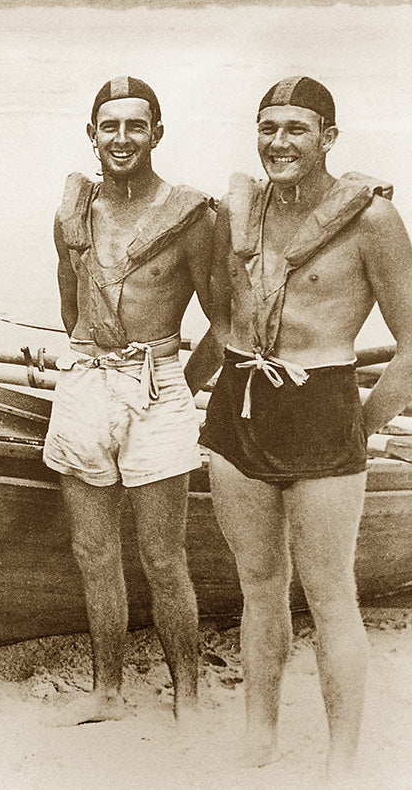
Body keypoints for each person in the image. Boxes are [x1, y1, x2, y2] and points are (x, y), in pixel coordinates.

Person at [188, 76, 412, 775]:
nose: (278, 142)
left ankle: (342, 760)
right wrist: (175, 391)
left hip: (325, 411)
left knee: (330, 592)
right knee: (258, 583)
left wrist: (362, 427)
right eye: (268, 128)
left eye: (296, 129)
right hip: (240, 404)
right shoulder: (241, 214)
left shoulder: (370, 221)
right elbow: (226, 322)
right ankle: (261, 734)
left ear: (328, 138)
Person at [43, 76, 216, 724]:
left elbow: (223, 324)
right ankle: (107, 693)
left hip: (159, 382)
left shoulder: (192, 216)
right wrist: (94, 364)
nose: (121, 138)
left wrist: (175, 390)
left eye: (134, 126)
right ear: (92, 135)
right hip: (87, 380)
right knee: (94, 551)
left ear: (157, 134)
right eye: (108, 126)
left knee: (163, 557)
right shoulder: (72, 216)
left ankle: (189, 701)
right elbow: (69, 306)